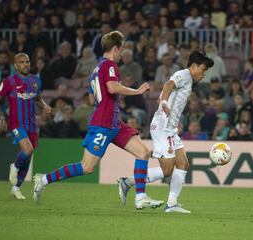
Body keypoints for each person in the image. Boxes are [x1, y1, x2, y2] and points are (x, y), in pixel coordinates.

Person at [32, 31, 163, 210]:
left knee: (143, 153)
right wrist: (136, 91)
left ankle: (141, 197)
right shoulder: (110, 66)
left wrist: (110, 102)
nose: (122, 53)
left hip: (114, 123)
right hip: (103, 124)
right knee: (87, 167)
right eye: (121, 49)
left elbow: (93, 99)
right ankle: (44, 179)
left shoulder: (95, 69)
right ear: (115, 48)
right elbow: (112, 87)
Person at [117, 50, 214, 213]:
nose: (204, 74)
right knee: (167, 170)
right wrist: (163, 103)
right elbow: (168, 85)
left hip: (170, 127)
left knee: (183, 163)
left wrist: (173, 116)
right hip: (162, 128)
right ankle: (128, 182)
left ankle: (172, 204)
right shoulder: (183, 74)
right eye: (203, 69)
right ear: (194, 66)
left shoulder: (188, 80)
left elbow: (165, 94)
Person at [0, 52, 52, 200]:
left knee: (28, 156)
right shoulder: (9, 81)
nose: (25, 64)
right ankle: (14, 166)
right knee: (27, 149)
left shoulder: (35, 80)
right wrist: (2, 117)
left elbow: (38, 98)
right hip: (17, 122)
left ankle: (16, 188)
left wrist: (45, 106)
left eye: (27, 61)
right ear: (16, 65)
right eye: (22, 62)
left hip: (32, 124)